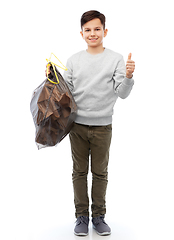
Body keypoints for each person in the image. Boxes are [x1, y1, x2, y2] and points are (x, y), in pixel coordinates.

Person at [46, 10, 135, 236]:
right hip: (77, 126)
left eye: (97, 29)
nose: (92, 33)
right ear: (81, 33)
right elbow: (66, 93)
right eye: (88, 30)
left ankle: (99, 216)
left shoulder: (115, 59)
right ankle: (82, 217)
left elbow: (121, 93)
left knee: (100, 173)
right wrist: (52, 79)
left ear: (104, 31)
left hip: (103, 127)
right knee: (79, 172)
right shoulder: (74, 60)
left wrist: (128, 77)